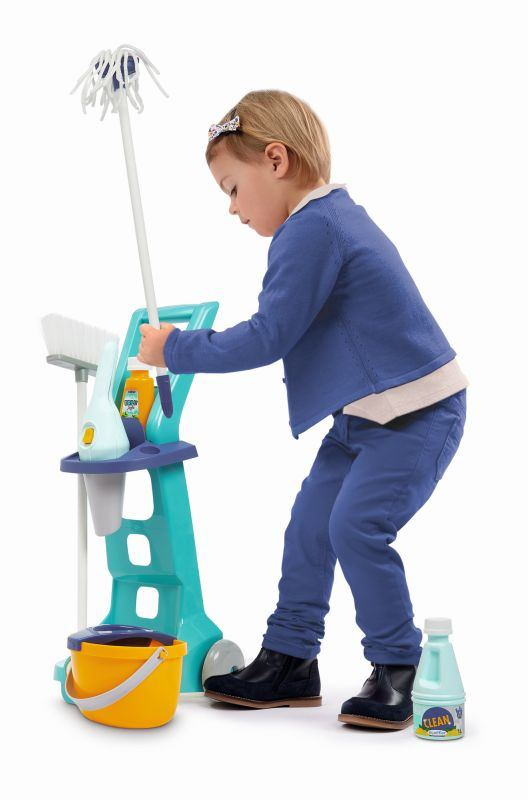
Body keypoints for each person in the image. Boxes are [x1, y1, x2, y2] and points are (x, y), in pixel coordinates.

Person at [138, 90, 469, 731]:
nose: (233, 209)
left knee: (355, 528)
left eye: (234, 188)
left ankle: (399, 666)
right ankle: (290, 658)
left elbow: (268, 336)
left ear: (276, 160)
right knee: (310, 529)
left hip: (416, 412)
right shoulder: (323, 222)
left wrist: (174, 349)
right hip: (363, 417)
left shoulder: (314, 227)